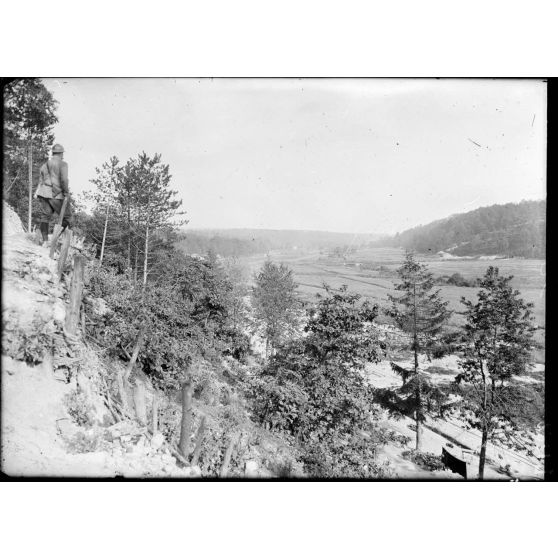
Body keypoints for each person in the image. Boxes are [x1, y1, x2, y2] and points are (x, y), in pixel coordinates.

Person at [37, 143, 72, 244]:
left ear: (53, 153)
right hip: (55, 194)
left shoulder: (45, 164)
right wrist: (66, 193)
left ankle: (45, 241)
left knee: (45, 216)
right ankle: (54, 239)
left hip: (43, 192)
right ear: (61, 154)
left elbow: (41, 177)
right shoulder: (63, 164)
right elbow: (64, 180)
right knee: (68, 217)